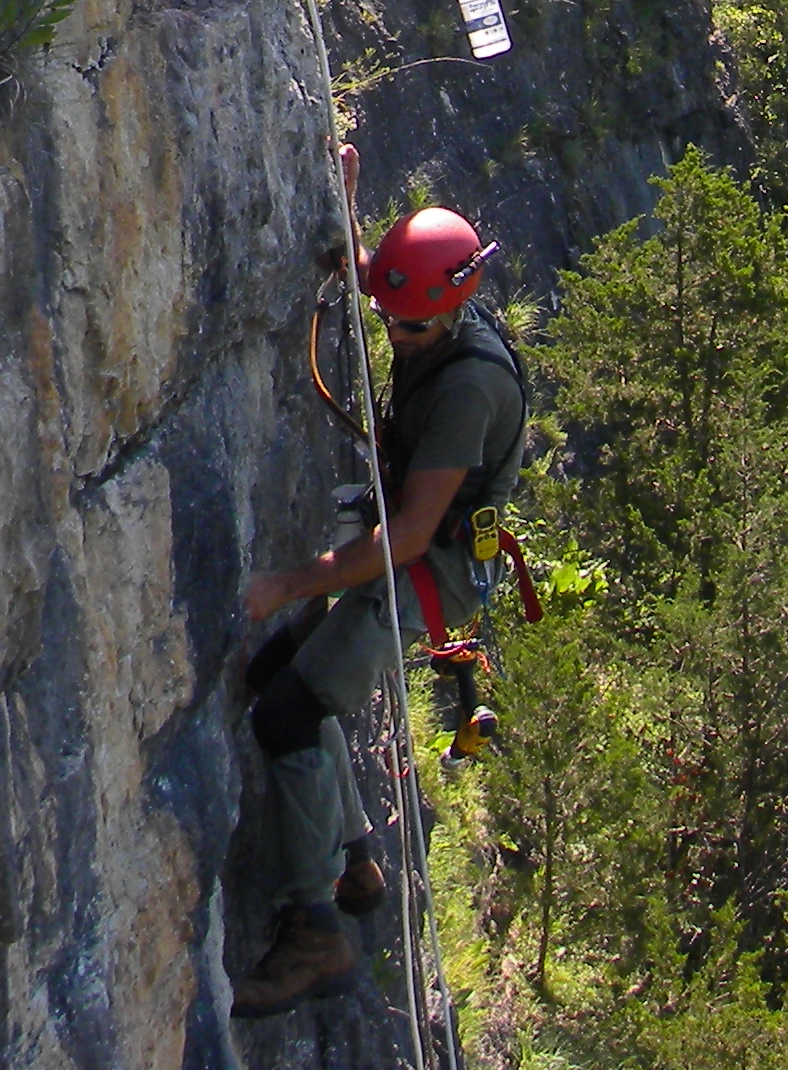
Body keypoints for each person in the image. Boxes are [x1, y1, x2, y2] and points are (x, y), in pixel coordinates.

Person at [229, 203, 528, 1018]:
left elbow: (411, 539)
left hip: (430, 568)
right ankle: (356, 858)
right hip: (408, 547)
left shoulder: (468, 385)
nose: (395, 338)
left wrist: (291, 584)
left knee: (286, 714)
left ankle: (316, 932)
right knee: (278, 676)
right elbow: (381, 281)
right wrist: (351, 214)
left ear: (451, 311)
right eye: (390, 321)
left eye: (411, 329)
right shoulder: (425, 307)